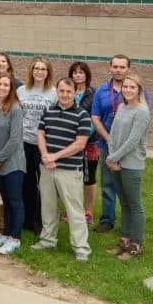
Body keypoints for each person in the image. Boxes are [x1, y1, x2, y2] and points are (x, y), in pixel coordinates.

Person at [33, 77, 92, 262]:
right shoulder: (48, 111)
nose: (65, 94)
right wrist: (45, 156)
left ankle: (81, 247)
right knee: (48, 207)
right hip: (47, 167)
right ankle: (48, 240)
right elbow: (41, 134)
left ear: (75, 93)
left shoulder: (82, 115)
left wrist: (55, 156)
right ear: (57, 91)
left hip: (69, 170)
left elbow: (80, 144)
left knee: (75, 210)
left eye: (69, 91)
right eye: (61, 91)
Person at [91, 54, 151, 234]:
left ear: (128, 69)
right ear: (109, 68)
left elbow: (141, 123)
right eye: (115, 66)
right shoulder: (101, 91)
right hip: (107, 145)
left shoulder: (139, 93)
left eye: (122, 67)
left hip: (129, 152)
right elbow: (95, 117)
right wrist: (111, 145)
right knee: (108, 185)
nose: (118, 70)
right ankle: (108, 221)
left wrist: (117, 153)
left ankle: (134, 235)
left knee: (130, 197)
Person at [105, 72, 151, 260]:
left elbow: (133, 141)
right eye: (125, 87)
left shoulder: (142, 111)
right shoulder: (122, 107)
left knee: (135, 205)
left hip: (131, 164)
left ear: (139, 89)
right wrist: (112, 156)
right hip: (116, 161)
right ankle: (124, 241)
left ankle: (136, 245)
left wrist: (114, 158)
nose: (128, 90)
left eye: (132, 87)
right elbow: (113, 134)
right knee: (124, 204)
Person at [0, 73, 26, 255]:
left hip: (13, 164)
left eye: (5, 85)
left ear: (11, 89)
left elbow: (15, 139)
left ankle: (15, 238)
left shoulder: (16, 109)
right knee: (6, 201)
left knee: (15, 201)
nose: (1, 87)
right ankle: (6, 235)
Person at [16, 56, 58, 235]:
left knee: (45, 185)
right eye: (36, 68)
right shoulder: (21, 91)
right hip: (24, 141)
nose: (39, 72)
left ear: (48, 72)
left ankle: (41, 222)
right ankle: (27, 219)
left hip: (44, 145)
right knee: (27, 183)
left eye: (43, 69)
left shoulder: (54, 92)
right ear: (31, 71)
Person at [69, 61, 98, 225]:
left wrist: (85, 135)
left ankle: (88, 211)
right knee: (72, 176)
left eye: (81, 72)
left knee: (89, 177)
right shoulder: (68, 91)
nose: (78, 75)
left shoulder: (93, 94)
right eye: (75, 72)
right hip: (69, 142)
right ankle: (72, 208)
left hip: (89, 142)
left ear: (87, 75)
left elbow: (95, 117)